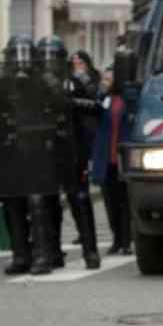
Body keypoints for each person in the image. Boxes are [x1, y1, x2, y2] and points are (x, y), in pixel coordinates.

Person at [1, 36, 64, 276]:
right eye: (16, 56)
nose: (20, 61)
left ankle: (43, 254)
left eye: (24, 55)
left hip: (38, 150)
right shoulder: (4, 82)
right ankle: (21, 254)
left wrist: (50, 84)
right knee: (12, 202)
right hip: (11, 150)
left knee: (38, 201)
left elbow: (59, 106)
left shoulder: (43, 81)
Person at [56, 48, 103, 269]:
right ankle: (50, 251)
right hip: (51, 149)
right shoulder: (52, 82)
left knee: (80, 199)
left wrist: (72, 101)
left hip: (77, 147)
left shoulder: (82, 81)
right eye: (72, 60)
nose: (75, 63)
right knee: (46, 202)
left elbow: (97, 105)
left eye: (79, 60)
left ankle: (90, 251)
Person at [91, 66, 132, 256]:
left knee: (125, 201)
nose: (105, 82)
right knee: (110, 202)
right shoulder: (102, 99)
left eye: (109, 79)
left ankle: (126, 241)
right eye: (104, 79)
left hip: (122, 159)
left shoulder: (126, 100)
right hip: (106, 159)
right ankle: (116, 239)